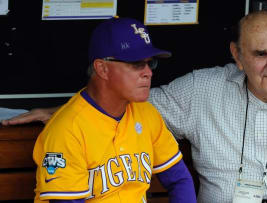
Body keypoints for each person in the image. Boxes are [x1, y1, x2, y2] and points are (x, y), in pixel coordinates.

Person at [2, 11, 267, 203]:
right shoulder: (203, 90)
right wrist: (61, 111)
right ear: (238, 57)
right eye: (261, 54)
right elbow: (108, 103)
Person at [30, 17, 196, 203]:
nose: (148, 72)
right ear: (102, 69)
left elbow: (180, 180)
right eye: (136, 64)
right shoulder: (67, 129)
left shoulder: (146, 114)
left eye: (151, 63)